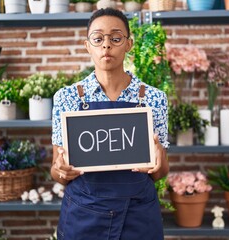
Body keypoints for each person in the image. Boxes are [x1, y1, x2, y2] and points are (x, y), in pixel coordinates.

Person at [51, 8, 169, 240]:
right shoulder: (67, 98)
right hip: (83, 215)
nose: (106, 46)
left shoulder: (154, 98)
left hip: (138, 216)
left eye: (116, 38)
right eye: (98, 39)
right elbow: (57, 172)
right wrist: (61, 169)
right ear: (88, 46)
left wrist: (158, 162)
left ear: (128, 44)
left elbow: (161, 172)